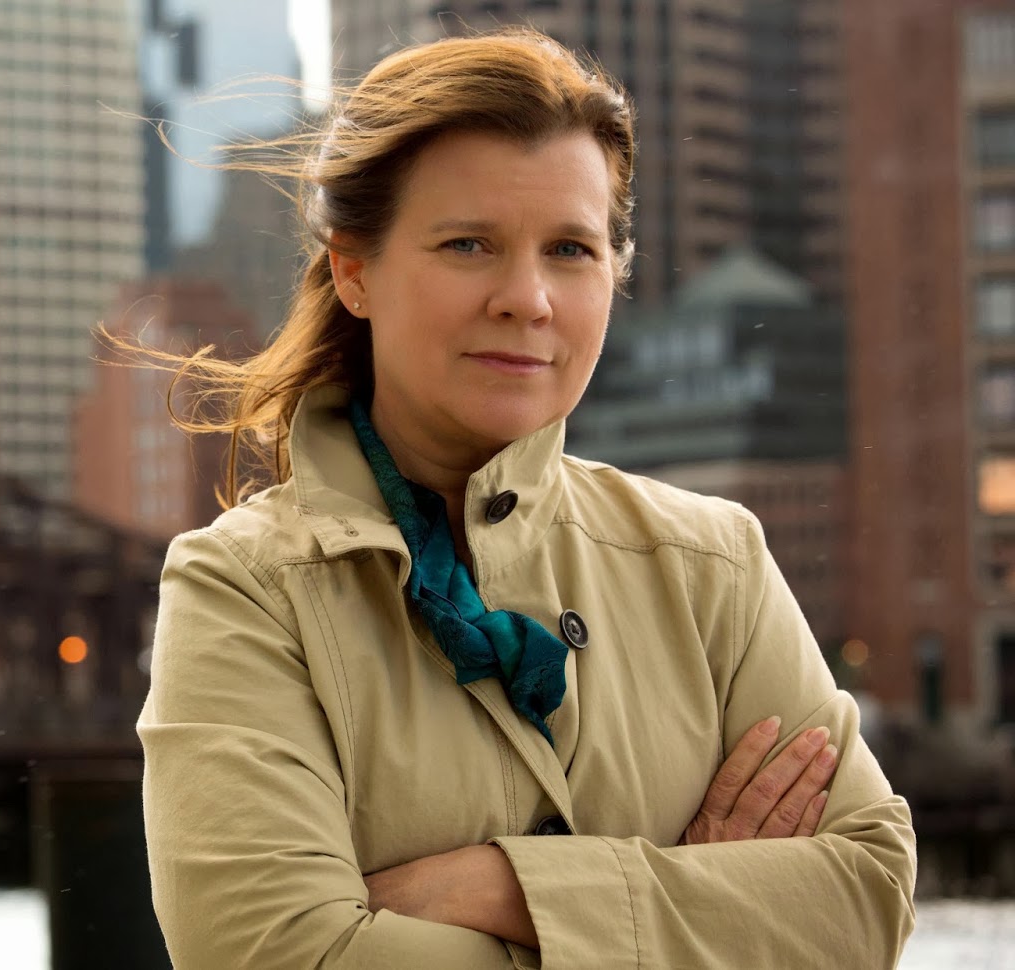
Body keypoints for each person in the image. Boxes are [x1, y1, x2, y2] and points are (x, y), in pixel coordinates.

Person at [133, 27, 915, 969]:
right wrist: (696, 907)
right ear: (354, 271)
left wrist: (504, 889)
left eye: (571, 249)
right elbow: (276, 958)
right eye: (469, 244)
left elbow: (866, 897)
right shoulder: (244, 590)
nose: (527, 298)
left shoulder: (713, 566)